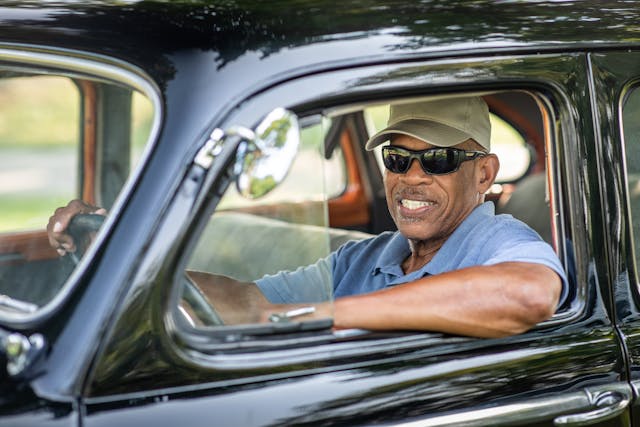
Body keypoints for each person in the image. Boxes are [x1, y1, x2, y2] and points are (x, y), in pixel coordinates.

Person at [48, 96, 566, 338]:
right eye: (396, 158)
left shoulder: (501, 240)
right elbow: (249, 301)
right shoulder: (363, 258)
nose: (412, 177)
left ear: (483, 174)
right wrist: (124, 259)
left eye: (437, 160)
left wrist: (325, 314)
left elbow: (527, 294)